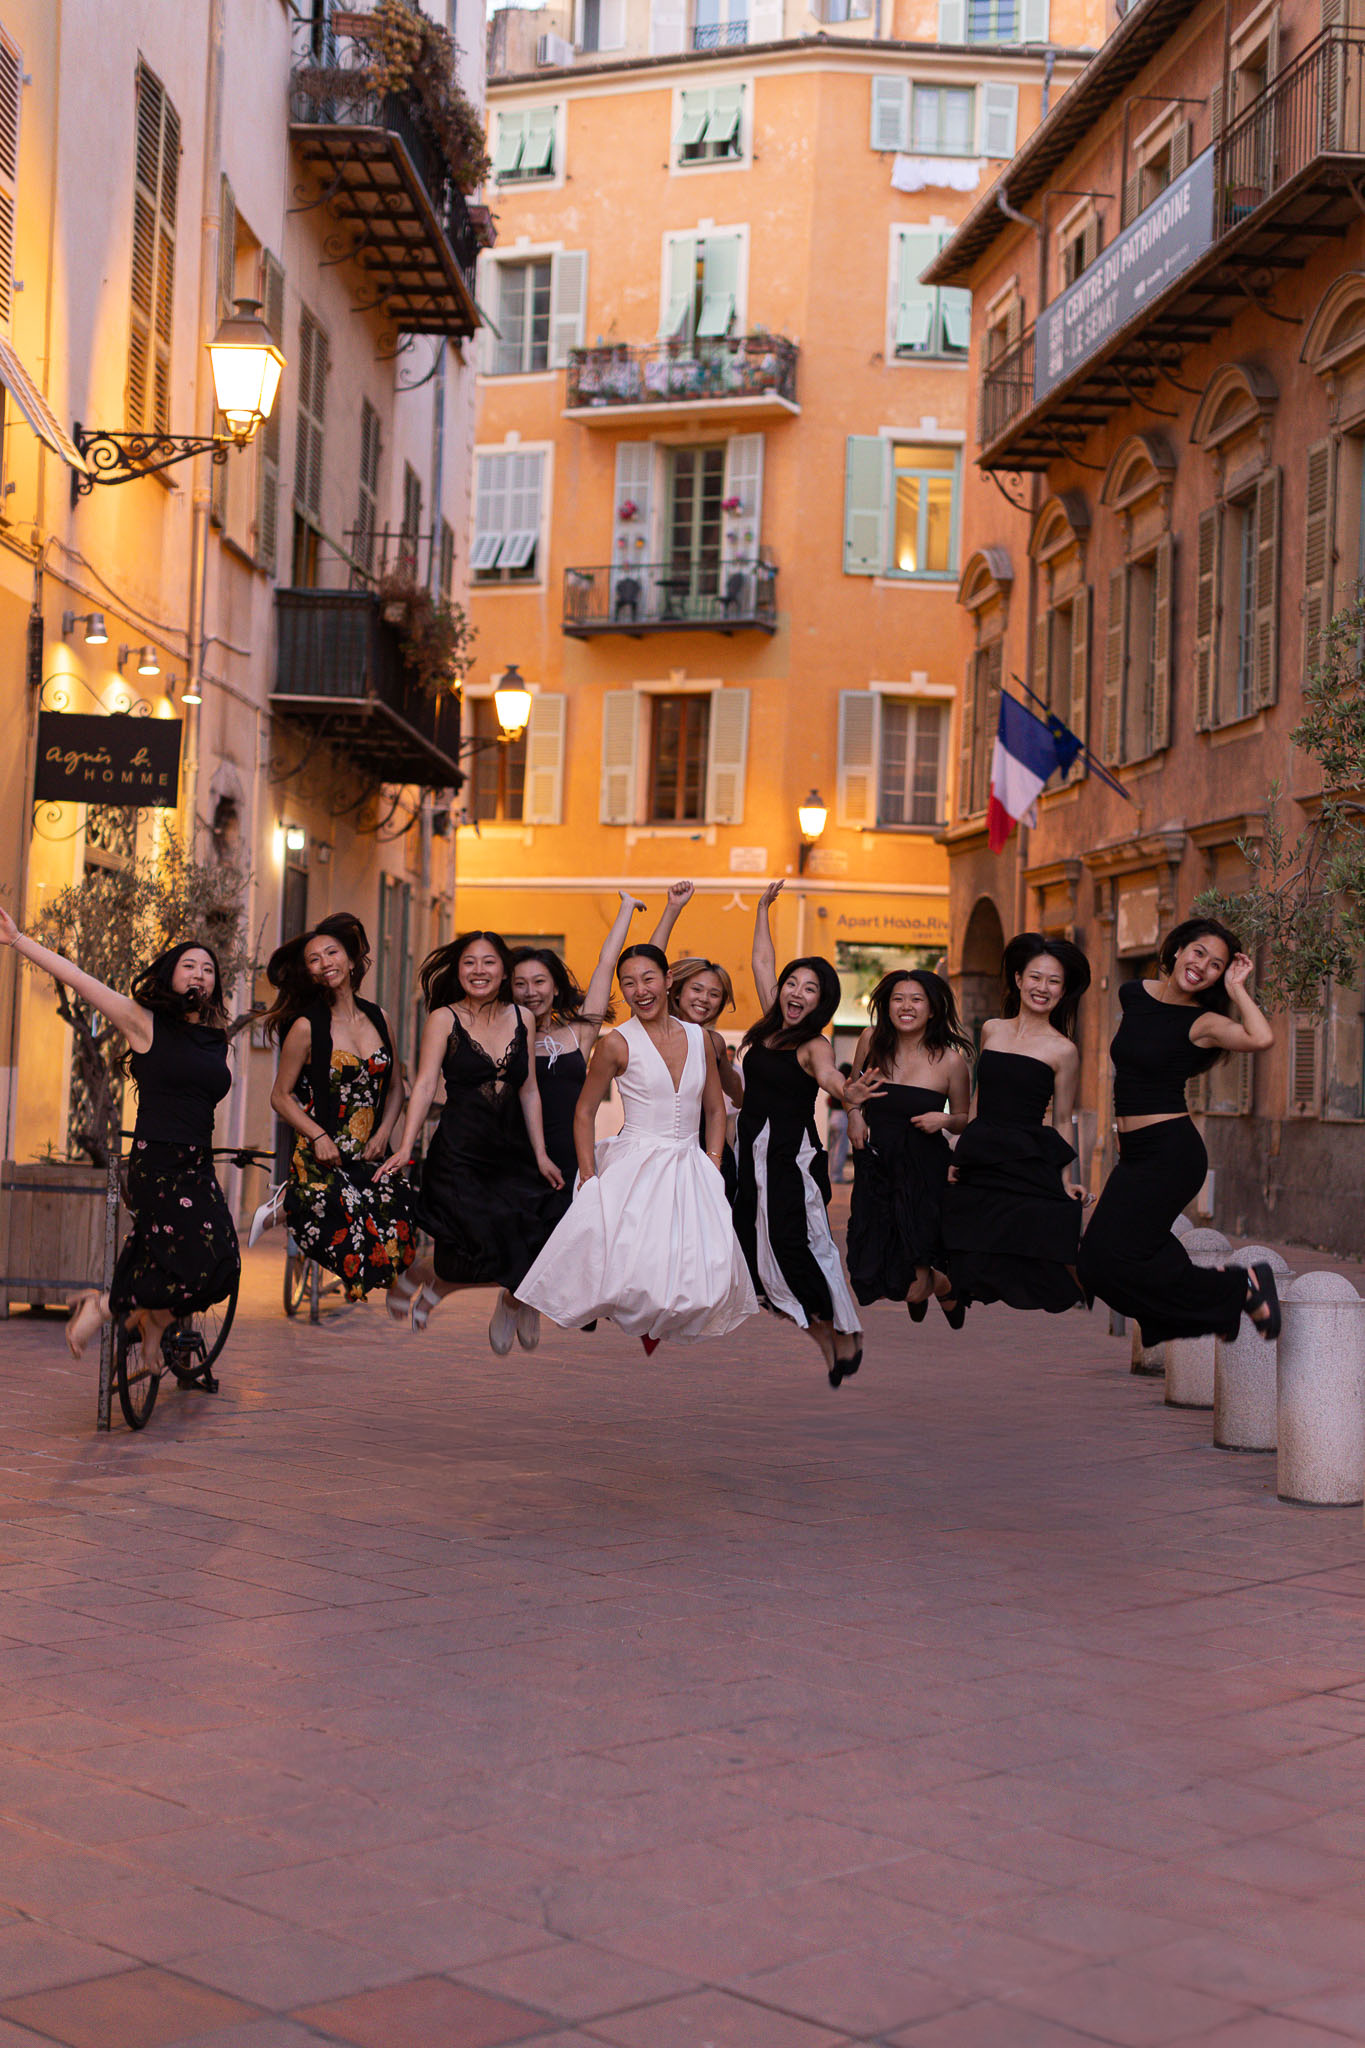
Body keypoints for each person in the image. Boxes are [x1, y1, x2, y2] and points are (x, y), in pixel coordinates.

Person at [0, 909, 238, 1361]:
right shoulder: (142, 1021)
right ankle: (104, 1305)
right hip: (159, 1164)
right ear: (170, 976)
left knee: (224, 1267)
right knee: (197, 1265)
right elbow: (78, 979)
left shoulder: (216, 1037)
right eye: (189, 966)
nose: (199, 975)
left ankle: (155, 1321)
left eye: (208, 970)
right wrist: (17, 940)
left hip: (198, 1163)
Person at [517, 944, 756, 1347]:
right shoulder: (616, 1043)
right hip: (636, 1163)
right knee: (628, 1268)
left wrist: (713, 1163)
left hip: (691, 1165)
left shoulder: (700, 1039)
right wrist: (588, 1174)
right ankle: (536, 1306)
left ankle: (655, 1326)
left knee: (705, 1276)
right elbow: (584, 1112)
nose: (639, 990)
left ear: (668, 981)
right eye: (628, 983)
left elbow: (716, 1110)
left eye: (648, 979)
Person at [1078, 917, 1280, 1345]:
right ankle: (1223, 1294)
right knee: (1096, 1263)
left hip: (1170, 1155)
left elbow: (1261, 1037)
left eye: (1216, 965)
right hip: (1135, 1154)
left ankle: (1238, 1287)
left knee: (1109, 1259)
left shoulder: (1203, 1023)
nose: (1202, 966)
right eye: (1198, 953)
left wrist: (1237, 989)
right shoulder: (1134, 993)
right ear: (1177, 950)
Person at [377, 931, 564, 1348]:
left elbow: (529, 1090)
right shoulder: (444, 1018)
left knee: (521, 1243)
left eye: (489, 961)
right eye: (469, 962)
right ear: (458, 970)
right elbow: (425, 1084)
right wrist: (405, 1145)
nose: (479, 970)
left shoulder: (524, 1017)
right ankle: (424, 1277)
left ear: (504, 971)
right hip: (459, 1152)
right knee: (468, 1248)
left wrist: (541, 1154)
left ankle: (435, 1282)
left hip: (511, 1153)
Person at [732, 881, 883, 1387]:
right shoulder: (769, 1024)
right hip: (750, 1155)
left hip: (788, 1159)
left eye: (809, 988)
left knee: (797, 1249)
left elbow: (830, 1077)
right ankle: (829, 1339)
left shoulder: (813, 1043)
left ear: (821, 1002)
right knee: (754, 1256)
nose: (796, 992)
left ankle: (842, 1331)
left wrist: (848, 1092)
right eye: (792, 983)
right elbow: (760, 961)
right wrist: (761, 909)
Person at [256, 914, 415, 1298]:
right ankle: (285, 1205)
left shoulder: (380, 1018)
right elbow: (280, 1095)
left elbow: (396, 1087)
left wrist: (384, 1133)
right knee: (341, 1220)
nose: (325, 962)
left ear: (351, 959)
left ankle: (298, 1212)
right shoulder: (306, 1027)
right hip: (322, 1151)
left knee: (400, 1227)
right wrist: (317, 1136)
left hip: (371, 1149)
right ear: (309, 972)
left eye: (332, 952)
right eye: (314, 959)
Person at [940, 934, 1091, 1319]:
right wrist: (960, 1150)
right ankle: (953, 1296)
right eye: (1036, 977)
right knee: (957, 1233)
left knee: (1049, 1230)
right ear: (1019, 979)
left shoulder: (1064, 1050)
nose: (1043, 988)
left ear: (1063, 991)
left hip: (1026, 1155)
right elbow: (979, 1095)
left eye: (1054, 981)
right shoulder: (993, 1028)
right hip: (983, 1150)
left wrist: (1066, 1178)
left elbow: (1062, 1118)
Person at [846, 970, 972, 1320]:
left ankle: (942, 1285)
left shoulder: (950, 1061)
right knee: (868, 1264)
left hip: (924, 1175)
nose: (906, 1006)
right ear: (887, 1006)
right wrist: (854, 1113)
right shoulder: (870, 1041)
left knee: (912, 1283)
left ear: (932, 1010)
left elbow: (964, 1118)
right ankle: (927, 1284)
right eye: (898, 999)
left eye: (917, 1000)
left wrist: (943, 1120)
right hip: (877, 1169)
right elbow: (851, 1092)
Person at [509, 888, 645, 1213]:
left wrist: (626, 909)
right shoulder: (501, 1040)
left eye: (539, 982)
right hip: (512, 1164)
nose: (530, 992)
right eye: (520, 984)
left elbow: (606, 965)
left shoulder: (577, 1034)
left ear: (556, 988)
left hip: (570, 1164)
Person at [650, 880, 745, 1199]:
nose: (705, 999)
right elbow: (650, 964)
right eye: (697, 989)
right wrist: (672, 909)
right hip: (652, 1144)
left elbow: (736, 1094)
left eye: (714, 994)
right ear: (676, 991)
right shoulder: (656, 1027)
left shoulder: (713, 1041)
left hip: (704, 1147)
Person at [826, 1067, 852, 1185]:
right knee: (840, 1148)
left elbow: (828, 1101)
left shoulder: (834, 1087)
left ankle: (832, 1174)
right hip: (842, 1116)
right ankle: (836, 1176)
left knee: (832, 1148)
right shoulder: (846, 1088)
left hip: (833, 1117)